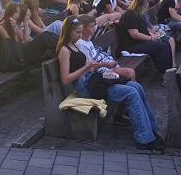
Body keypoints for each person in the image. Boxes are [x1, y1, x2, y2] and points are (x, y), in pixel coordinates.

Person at [55, 16, 164, 151]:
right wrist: (87, 67)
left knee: (136, 86)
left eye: (80, 31)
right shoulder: (64, 50)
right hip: (87, 87)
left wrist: (96, 66)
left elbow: (90, 68)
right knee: (131, 93)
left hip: (95, 80)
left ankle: (152, 130)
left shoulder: (75, 45)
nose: (79, 35)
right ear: (68, 32)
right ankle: (144, 139)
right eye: (77, 32)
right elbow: (66, 79)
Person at [118, 0, 175, 72]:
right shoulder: (129, 15)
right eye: (145, 7)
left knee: (166, 43)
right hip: (131, 45)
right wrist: (151, 38)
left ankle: (170, 67)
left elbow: (143, 29)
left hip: (139, 42)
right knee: (162, 47)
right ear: (140, 6)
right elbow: (135, 35)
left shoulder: (136, 14)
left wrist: (154, 34)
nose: (146, 10)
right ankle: (166, 72)